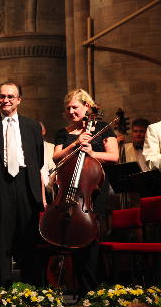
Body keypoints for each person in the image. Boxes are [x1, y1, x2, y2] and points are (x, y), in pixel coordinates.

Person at [52, 88, 118, 295]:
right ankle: (80, 288)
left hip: (93, 190)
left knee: (91, 238)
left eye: (75, 107)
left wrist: (92, 152)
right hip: (71, 189)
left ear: (87, 107)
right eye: (68, 108)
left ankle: (93, 289)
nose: (71, 111)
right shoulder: (63, 132)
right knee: (74, 236)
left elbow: (113, 156)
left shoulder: (102, 128)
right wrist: (75, 143)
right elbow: (57, 157)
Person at [0, 81, 44, 287]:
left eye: (10, 96)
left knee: (29, 241)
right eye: (2, 96)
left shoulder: (32, 126)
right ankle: (2, 289)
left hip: (26, 185)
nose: (6, 100)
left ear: (19, 100)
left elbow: (39, 159)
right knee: (2, 241)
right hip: (0, 186)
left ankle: (31, 290)